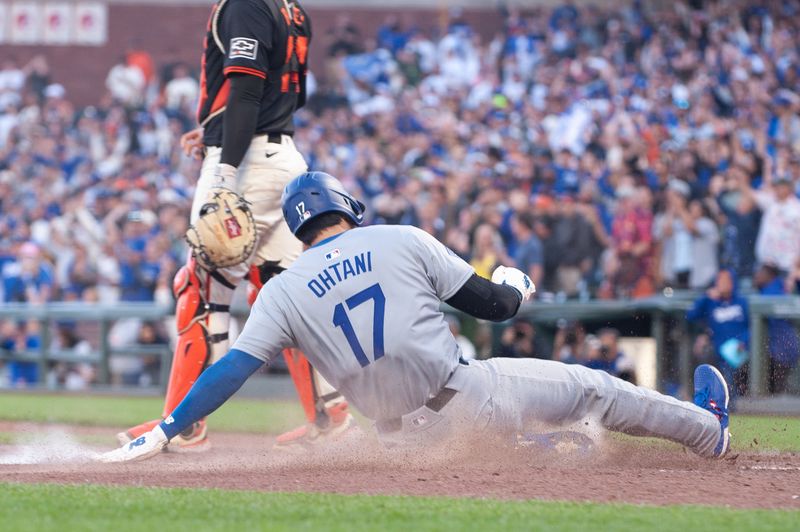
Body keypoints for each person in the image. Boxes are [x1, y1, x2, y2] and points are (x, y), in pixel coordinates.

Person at [100, 172, 730, 463]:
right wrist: (514, 280)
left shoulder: (283, 290)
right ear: (346, 206)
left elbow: (230, 370)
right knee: (595, 387)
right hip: (466, 395)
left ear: (297, 230)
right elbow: (497, 307)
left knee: (520, 439)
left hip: (401, 444)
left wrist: (169, 425)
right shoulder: (400, 237)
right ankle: (710, 433)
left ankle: (540, 450)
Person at [119, 0, 356, 453]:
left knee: (202, 292)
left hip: (248, 166)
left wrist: (225, 168)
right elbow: (289, 94)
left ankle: (184, 427)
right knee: (287, 293)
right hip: (282, 156)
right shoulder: (291, 8)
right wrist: (215, 129)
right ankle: (331, 417)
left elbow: (246, 90)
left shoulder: (246, 3)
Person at [686, 269, 750, 398]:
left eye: (726, 280)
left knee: (729, 368)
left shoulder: (741, 301)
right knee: (704, 358)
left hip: (738, 349)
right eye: (720, 280)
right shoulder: (711, 301)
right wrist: (705, 297)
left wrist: (743, 342)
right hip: (716, 348)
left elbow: (750, 326)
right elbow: (690, 316)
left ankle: (732, 404)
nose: (722, 284)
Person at [754, 264, 799, 394]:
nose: (757, 275)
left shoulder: (774, 290)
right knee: (776, 386)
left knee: (777, 388)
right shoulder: (771, 289)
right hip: (780, 348)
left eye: (761, 272)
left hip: (783, 348)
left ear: (770, 275)